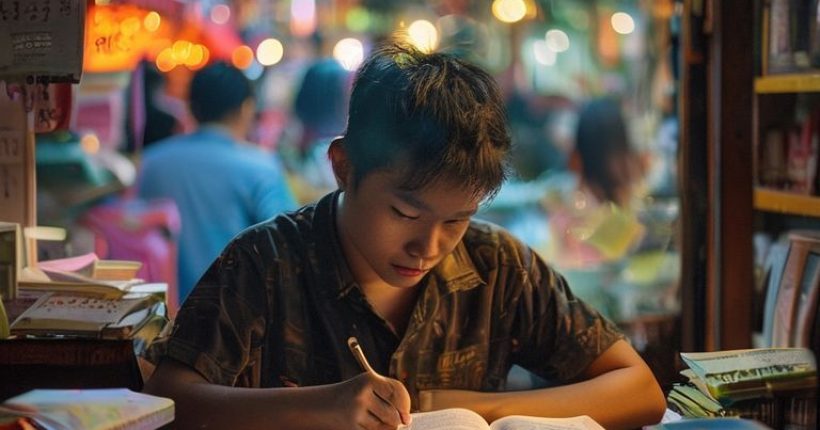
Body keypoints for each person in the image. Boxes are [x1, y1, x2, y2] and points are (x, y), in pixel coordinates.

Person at [143, 42, 666, 430]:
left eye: (456, 220)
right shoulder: (266, 260)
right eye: (403, 213)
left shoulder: (496, 266)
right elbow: (168, 398)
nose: (430, 247)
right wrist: (319, 407)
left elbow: (640, 389)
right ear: (344, 167)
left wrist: (476, 409)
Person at [135, 62, 297, 303]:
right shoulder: (261, 167)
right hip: (231, 321)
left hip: (157, 313)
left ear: (191, 107)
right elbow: (288, 246)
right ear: (246, 108)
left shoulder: (150, 162)